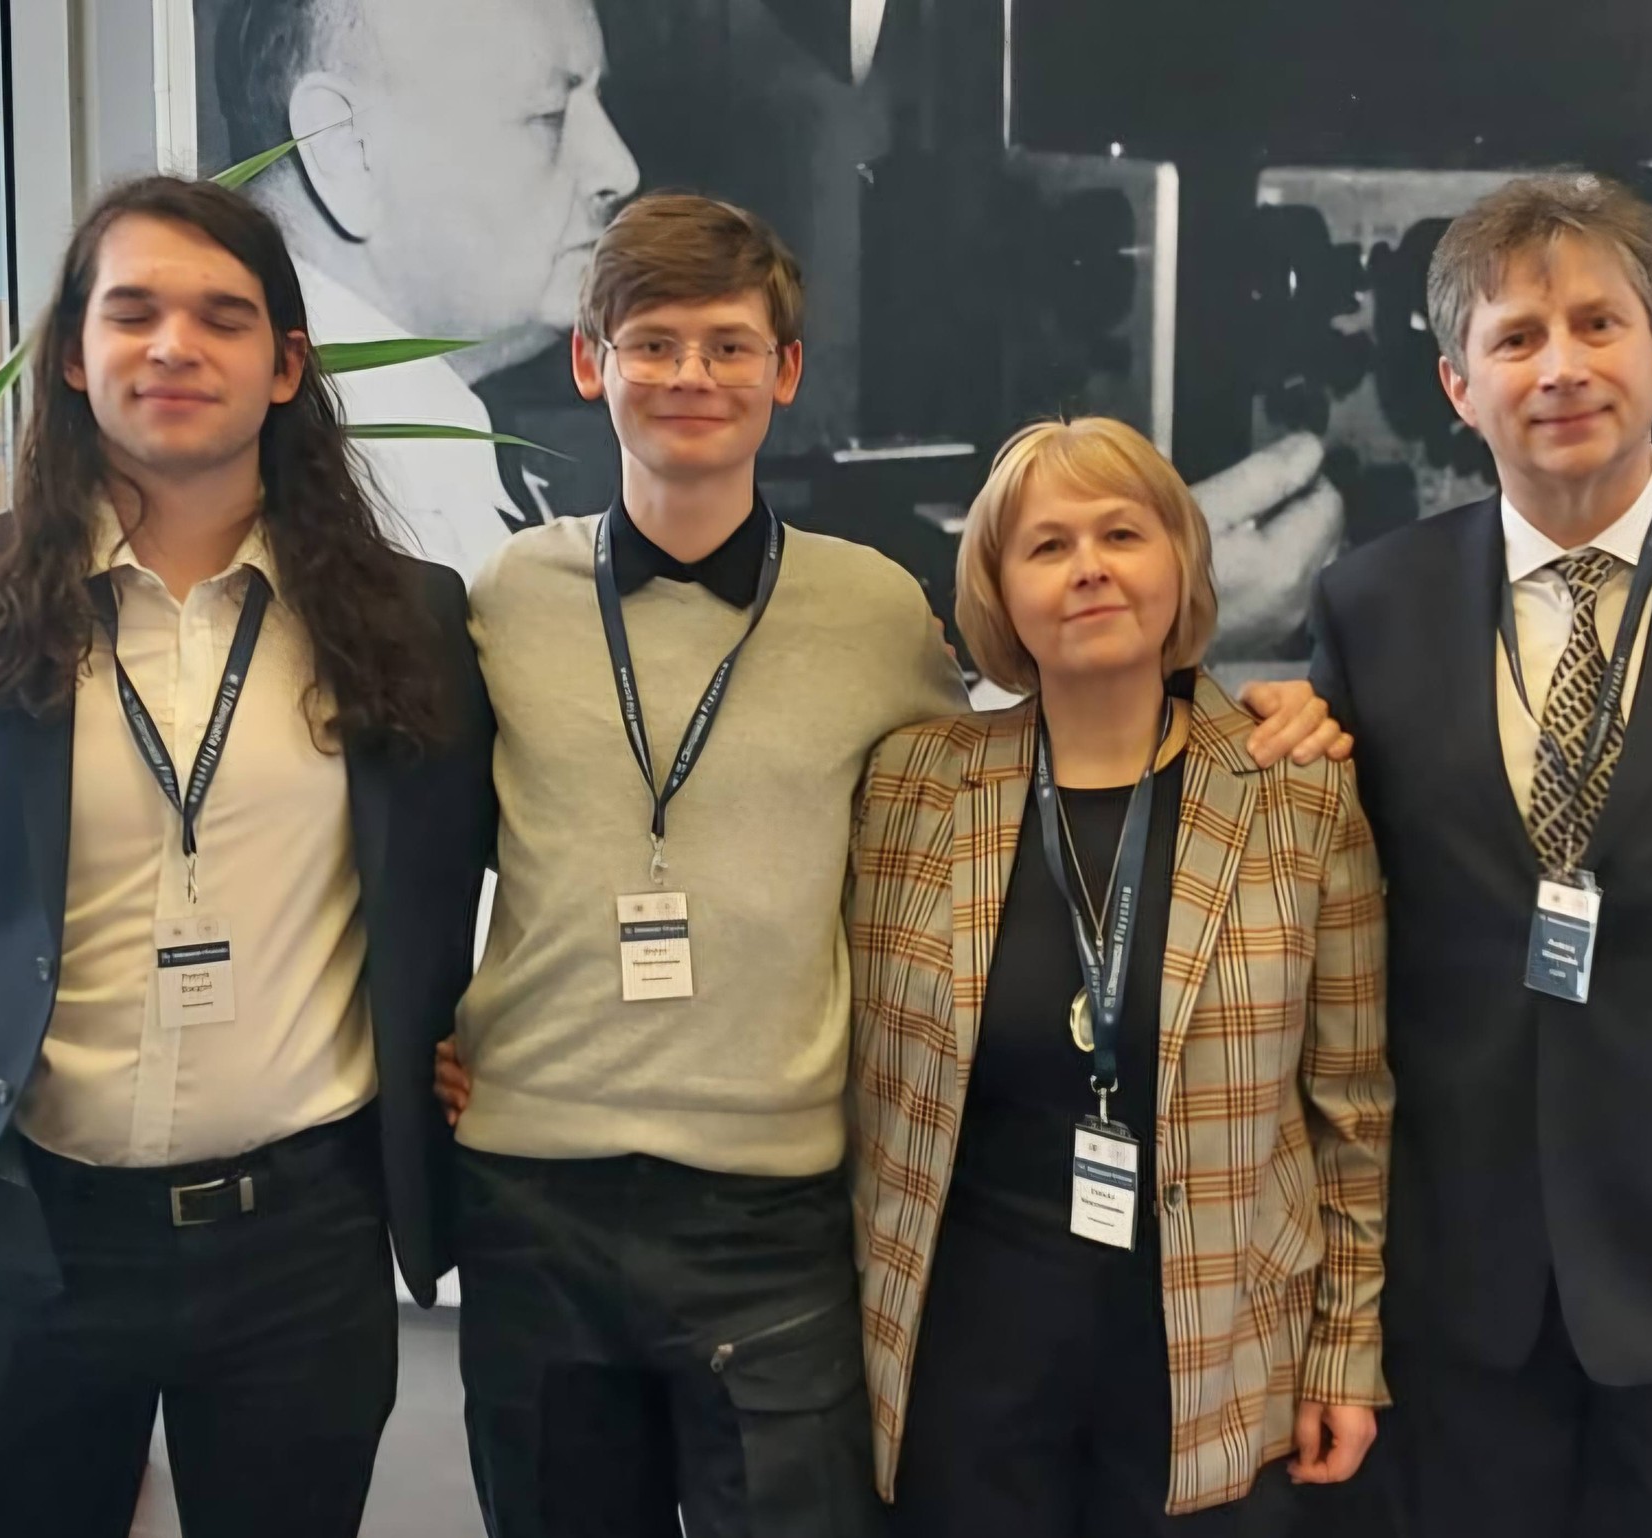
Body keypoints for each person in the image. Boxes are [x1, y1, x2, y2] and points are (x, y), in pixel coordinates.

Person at [429, 192, 1348, 1536]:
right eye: (654, 343)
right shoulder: (503, 597)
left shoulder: (873, 611)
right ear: (589, 363)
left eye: (730, 345)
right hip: (534, 1193)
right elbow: (409, 841)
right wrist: (441, 1029)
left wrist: (1263, 708)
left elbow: (1037, 741)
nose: (692, 375)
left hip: (776, 1209)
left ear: (786, 370)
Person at [0, 176, 496, 1538]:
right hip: (33, 1234)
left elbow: (490, 849)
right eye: (133, 313)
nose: (175, 345)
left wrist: (476, 1030)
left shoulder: (406, 618)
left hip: (303, 1242)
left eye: (223, 317)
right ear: (73, 353)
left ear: (285, 365)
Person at [1297, 171, 1652, 1537]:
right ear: (1456, 384)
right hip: (1462, 1301)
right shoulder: (1372, 608)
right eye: (1516, 337)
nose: (1561, 368)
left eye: (1598, 323)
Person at [847, 416, 1391, 1535]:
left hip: (1213, 1359)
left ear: (1180, 560)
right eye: (1047, 546)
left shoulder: (1297, 791)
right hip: (967, 1365)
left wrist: (1345, 1345)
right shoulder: (909, 786)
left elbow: (1353, 1107)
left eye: (1121, 534)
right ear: (998, 592)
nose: (1088, 567)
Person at [212, 0, 642, 573]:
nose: (619, 169)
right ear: (346, 149)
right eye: (548, 113)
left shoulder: (393, 459)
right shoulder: (273, 497)